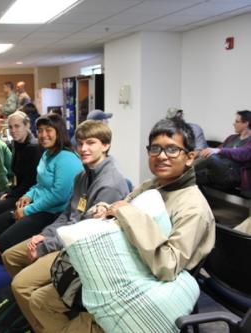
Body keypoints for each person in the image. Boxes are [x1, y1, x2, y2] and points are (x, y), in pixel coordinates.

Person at [29, 118, 215, 333]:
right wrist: (106, 210)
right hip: (122, 267)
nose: (162, 156)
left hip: (142, 290)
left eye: (172, 150)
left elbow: (167, 266)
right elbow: (119, 210)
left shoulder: (193, 208)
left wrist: (126, 214)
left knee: (53, 307)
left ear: (190, 157)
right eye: (155, 148)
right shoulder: (151, 185)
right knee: (39, 301)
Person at [2, 120, 130, 332]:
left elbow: (86, 233)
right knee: (10, 256)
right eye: (80, 143)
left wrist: (45, 246)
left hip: (80, 250)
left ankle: (46, 326)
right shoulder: (83, 175)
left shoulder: (110, 184)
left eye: (91, 143)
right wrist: (44, 235)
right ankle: (41, 310)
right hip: (64, 237)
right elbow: (68, 214)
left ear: (105, 145)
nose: (83, 149)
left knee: (20, 286)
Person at [0, 114, 84, 252]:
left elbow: (59, 196)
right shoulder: (47, 154)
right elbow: (39, 183)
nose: (43, 135)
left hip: (53, 213)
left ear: (59, 132)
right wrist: (28, 196)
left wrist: (27, 210)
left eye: (48, 130)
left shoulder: (66, 158)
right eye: (40, 130)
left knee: (4, 241)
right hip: (37, 205)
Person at [0, 111, 43, 233]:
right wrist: (9, 191)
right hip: (17, 189)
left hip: (27, 195)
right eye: (10, 127)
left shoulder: (33, 148)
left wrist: (10, 194)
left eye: (17, 126)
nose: (13, 130)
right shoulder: (16, 143)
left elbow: (30, 182)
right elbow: (16, 176)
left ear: (27, 126)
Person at [195, 110, 251, 193]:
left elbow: (242, 153)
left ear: (246, 123)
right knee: (193, 177)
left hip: (233, 176)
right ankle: (203, 204)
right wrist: (200, 153)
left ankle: (181, 171)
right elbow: (215, 151)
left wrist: (218, 150)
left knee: (210, 158)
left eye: (237, 121)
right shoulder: (232, 138)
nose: (234, 124)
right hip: (219, 172)